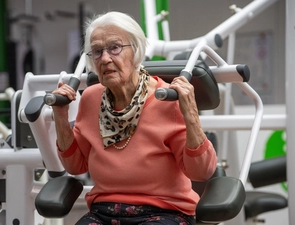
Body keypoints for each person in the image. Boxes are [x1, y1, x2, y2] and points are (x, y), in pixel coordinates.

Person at [51, 11, 217, 225]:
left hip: (164, 211)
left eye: (114, 48)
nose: (105, 58)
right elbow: (76, 166)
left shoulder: (166, 98)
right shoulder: (91, 98)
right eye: (97, 51)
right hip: (103, 212)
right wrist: (61, 116)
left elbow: (201, 172)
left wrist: (191, 114)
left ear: (136, 51)